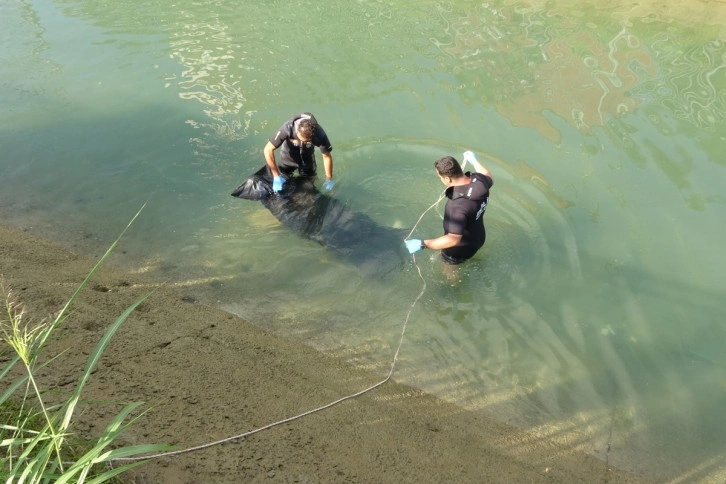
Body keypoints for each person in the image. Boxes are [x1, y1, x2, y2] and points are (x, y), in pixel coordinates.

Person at [405, 151, 493, 264]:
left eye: (440, 176)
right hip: (479, 238)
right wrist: (474, 160)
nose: (440, 179)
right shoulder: (479, 181)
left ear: (447, 179)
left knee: (449, 269)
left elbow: (453, 239)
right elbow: (487, 175)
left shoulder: (456, 207)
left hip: (458, 250)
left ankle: (454, 280)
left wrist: (423, 244)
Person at [263, 112, 335, 193]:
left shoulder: (319, 134)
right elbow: (268, 150)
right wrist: (276, 176)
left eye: (306, 141)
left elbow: (326, 156)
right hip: (288, 158)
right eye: (299, 139)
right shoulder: (288, 128)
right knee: (281, 189)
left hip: (307, 160)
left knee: (309, 186)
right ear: (297, 131)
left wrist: (328, 178)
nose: (301, 142)